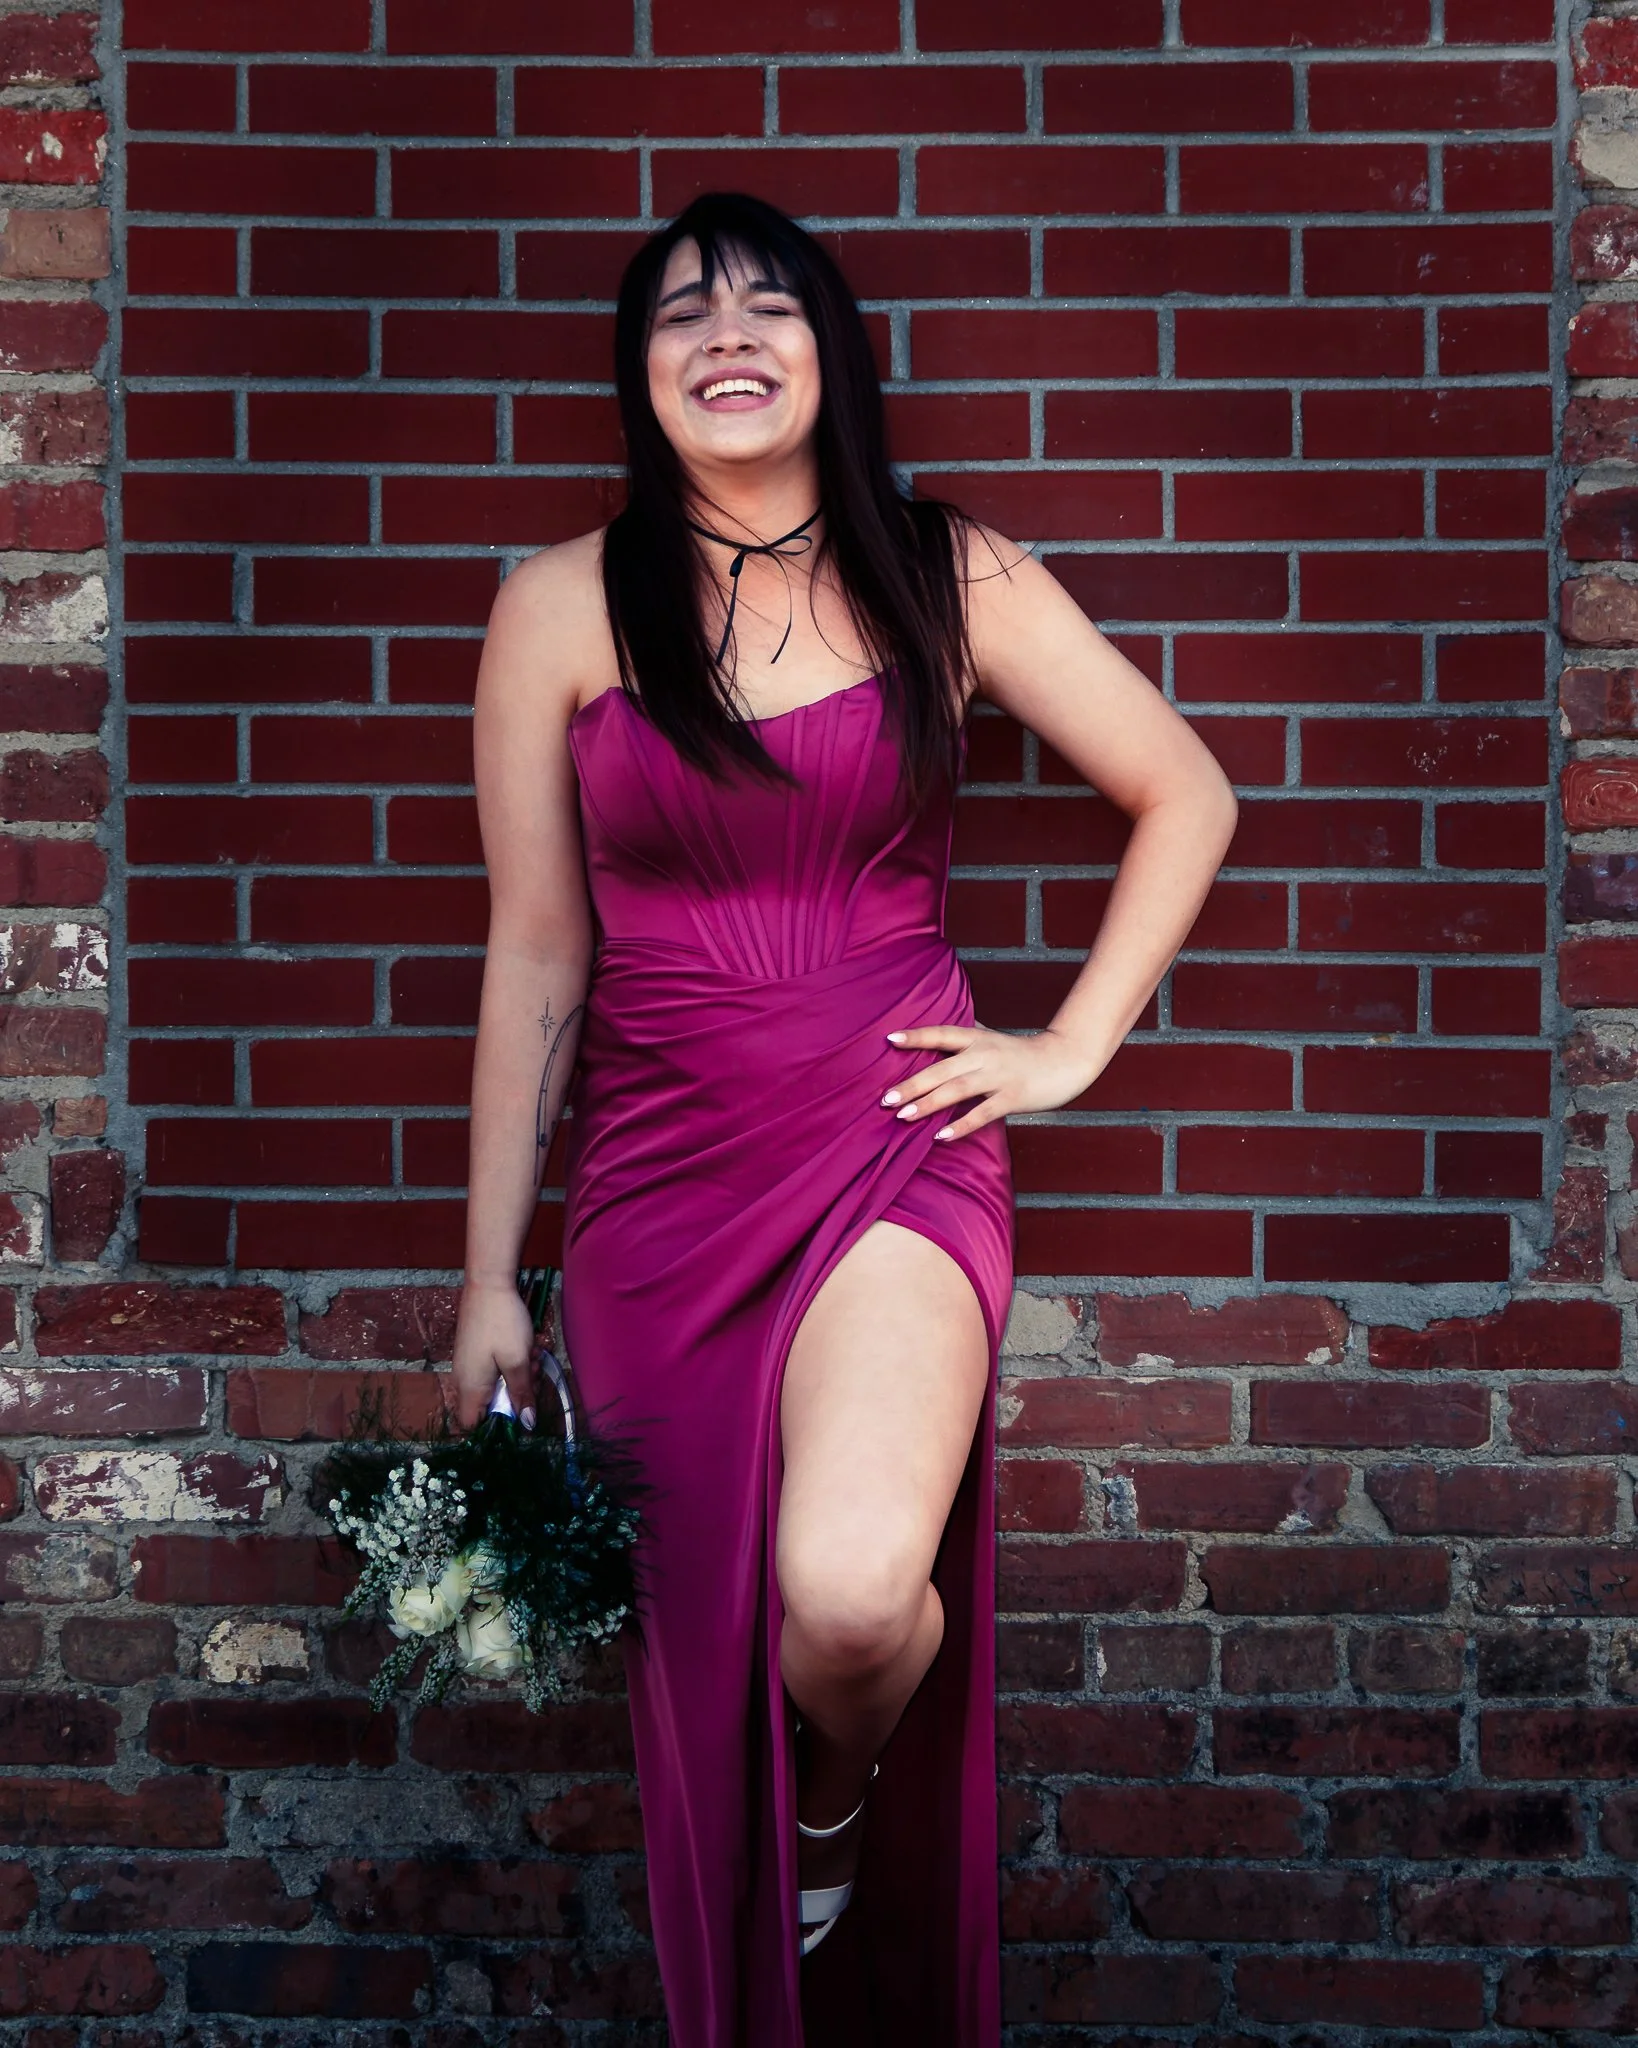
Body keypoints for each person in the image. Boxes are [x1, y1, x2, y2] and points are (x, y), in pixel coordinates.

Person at [451, 191, 1236, 2048]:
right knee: (710, 1634)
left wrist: (1066, 1049)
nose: (725, 336)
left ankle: (824, 1817)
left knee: (854, 1596)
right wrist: (489, 1277)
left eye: (767, 306)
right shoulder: (562, 603)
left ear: (828, 352)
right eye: (680, 316)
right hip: (655, 1194)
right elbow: (536, 951)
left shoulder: (945, 571)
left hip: (896, 1143)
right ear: (641, 375)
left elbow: (1181, 792)